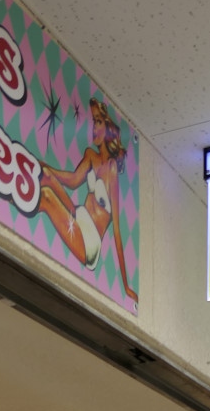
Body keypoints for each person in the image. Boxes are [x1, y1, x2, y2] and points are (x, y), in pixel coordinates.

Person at [38, 98, 138, 304]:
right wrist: (44, 164)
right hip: (78, 216)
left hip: (90, 240)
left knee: (46, 196)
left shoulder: (111, 168)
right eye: (93, 121)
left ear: (108, 128)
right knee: (46, 175)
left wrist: (126, 286)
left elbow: (117, 231)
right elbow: (72, 181)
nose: (94, 128)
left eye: (98, 121)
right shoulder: (91, 155)